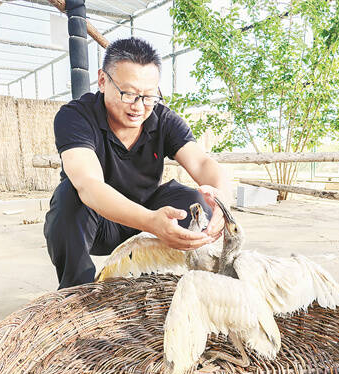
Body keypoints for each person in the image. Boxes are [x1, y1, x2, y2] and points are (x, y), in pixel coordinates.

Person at [44, 37, 231, 289]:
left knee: (197, 204)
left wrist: (223, 203)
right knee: (69, 196)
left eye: (149, 96)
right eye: (129, 94)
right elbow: (88, 183)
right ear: (102, 81)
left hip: (151, 212)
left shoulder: (163, 119)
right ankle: (77, 293)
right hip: (99, 221)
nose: (139, 107)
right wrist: (150, 220)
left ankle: (160, 283)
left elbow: (202, 163)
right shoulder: (76, 116)